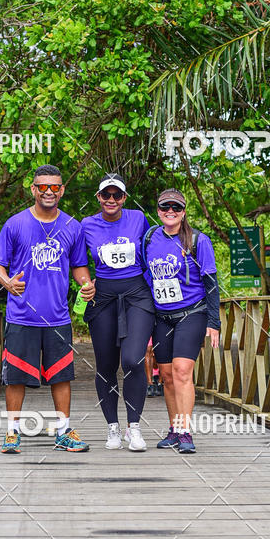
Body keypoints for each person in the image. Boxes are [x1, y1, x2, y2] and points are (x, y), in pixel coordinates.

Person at [0, 164, 96, 455]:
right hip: (22, 314)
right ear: (33, 189)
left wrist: (85, 284)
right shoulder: (15, 224)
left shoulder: (72, 226)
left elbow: (79, 266)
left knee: (61, 375)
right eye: (43, 187)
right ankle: (12, 432)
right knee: (16, 376)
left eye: (55, 187)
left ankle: (63, 432)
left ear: (62, 190)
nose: (49, 191)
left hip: (57, 316)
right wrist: (7, 282)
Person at [143, 188, 220, 453]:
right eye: (165, 207)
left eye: (176, 208)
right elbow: (142, 276)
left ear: (184, 212)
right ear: (159, 211)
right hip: (162, 316)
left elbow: (211, 283)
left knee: (182, 371)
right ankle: (175, 430)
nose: (171, 212)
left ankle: (186, 432)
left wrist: (214, 321)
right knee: (166, 375)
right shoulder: (150, 238)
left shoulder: (198, 240)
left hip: (192, 313)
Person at [81, 173, 155, 451]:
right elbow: (77, 261)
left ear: (124, 198)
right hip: (104, 298)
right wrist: (87, 284)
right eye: (106, 195)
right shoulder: (86, 225)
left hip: (137, 294)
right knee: (106, 366)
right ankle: (112, 427)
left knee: (134, 360)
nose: (111, 200)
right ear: (99, 198)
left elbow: (152, 252)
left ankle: (133, 428)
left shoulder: (138, 219)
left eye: (117, 195)